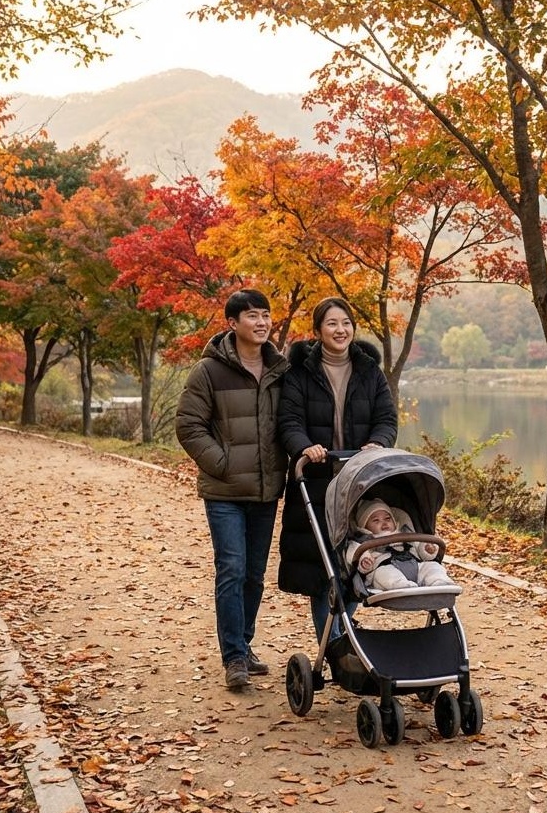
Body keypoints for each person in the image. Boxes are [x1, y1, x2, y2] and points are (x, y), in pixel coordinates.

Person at [175, 288, 289, 691]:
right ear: (232, 323)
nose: (261, 323)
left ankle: (244, 643)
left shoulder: (280, 369)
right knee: (232, 569)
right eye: (253, 316)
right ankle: (234, 658)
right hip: (225, 492)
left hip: (266, 490)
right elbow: (188, 426)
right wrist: (221, 463)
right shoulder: (209, 371)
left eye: (266, 315)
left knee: (255, 575)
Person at [277, 296, 398, 641]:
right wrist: (305, 447)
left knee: (355, 562)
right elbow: (288, 421)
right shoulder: (300, 373)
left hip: (359, 482)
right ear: (317, 331)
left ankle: (344, 640)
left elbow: (386, 418)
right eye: (331, 323)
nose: (340, 329)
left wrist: (378, 443)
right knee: (323, 572)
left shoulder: (369, 371)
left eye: (345, 323)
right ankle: (334, 646)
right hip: (316, 481)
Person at [345, 497, 456, 590]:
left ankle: (440, 582)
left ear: (394, 520)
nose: (384, 523)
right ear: (364, 526)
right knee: (385, 574)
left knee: (432, 566)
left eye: (387, 518)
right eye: (376, 520)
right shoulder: (364, 539)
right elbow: (353, 551)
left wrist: (427, 548)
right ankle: (402, 586)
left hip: (414, 565)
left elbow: (418, 546)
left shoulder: (404, 533)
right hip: (384, 567)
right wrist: (363, 560)